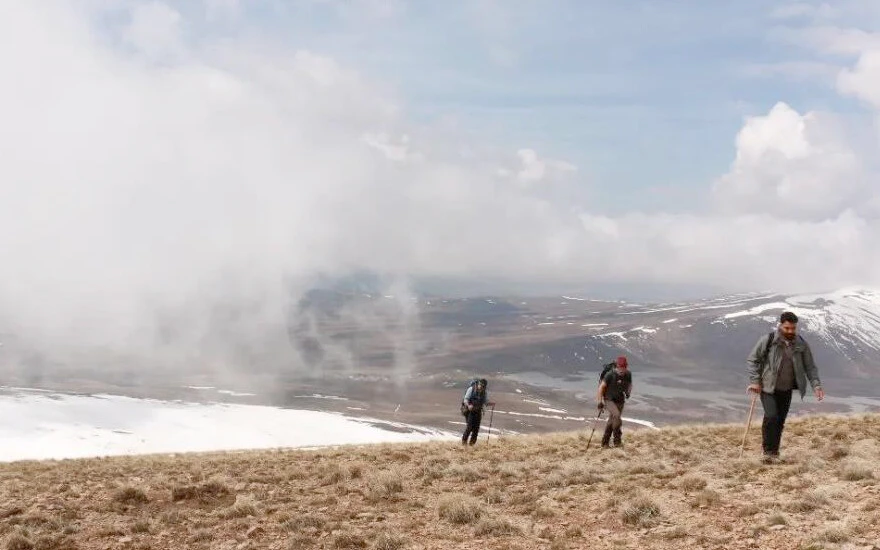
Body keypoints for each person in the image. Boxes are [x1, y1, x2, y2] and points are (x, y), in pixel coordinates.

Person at [747, 311, 825, 463]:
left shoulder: (801, 344)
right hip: (768, 387)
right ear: (780, 325)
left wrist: (816, 386)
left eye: (793, 328)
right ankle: (768, 453)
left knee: (780, 420)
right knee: (771, 416)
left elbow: (810, 367)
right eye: (787, 328)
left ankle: (774, 452)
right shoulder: (769, 340)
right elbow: (753, 360)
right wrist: (755, 381)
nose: (790, 331)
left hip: (786, 388)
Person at [596, 356, 632, 448]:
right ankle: (617, 441)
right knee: (616, 416)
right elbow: (601, 387)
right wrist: (600, 402)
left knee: (612, 420)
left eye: (623, 367)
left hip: (620, 400)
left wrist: (628, 393)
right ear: (616, 366)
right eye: (620, 367)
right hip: (609, 399)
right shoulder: (610, 375)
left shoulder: (628, 374)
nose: (622, 369)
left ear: (626, 366)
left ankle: (605, 443)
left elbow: (630, 384)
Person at [461, 378, 495, 445]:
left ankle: (471, 445)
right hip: (469, 411)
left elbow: (485, 402)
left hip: (478, 411)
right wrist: (468, 405)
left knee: (476, 429)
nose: (481, 387)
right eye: (480, 385)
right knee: (469, 427)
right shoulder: (471, 389)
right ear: (478, 384)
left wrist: (491, 403)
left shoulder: (484, 392)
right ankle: (464, 444)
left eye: (483, 386)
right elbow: (465, 399)